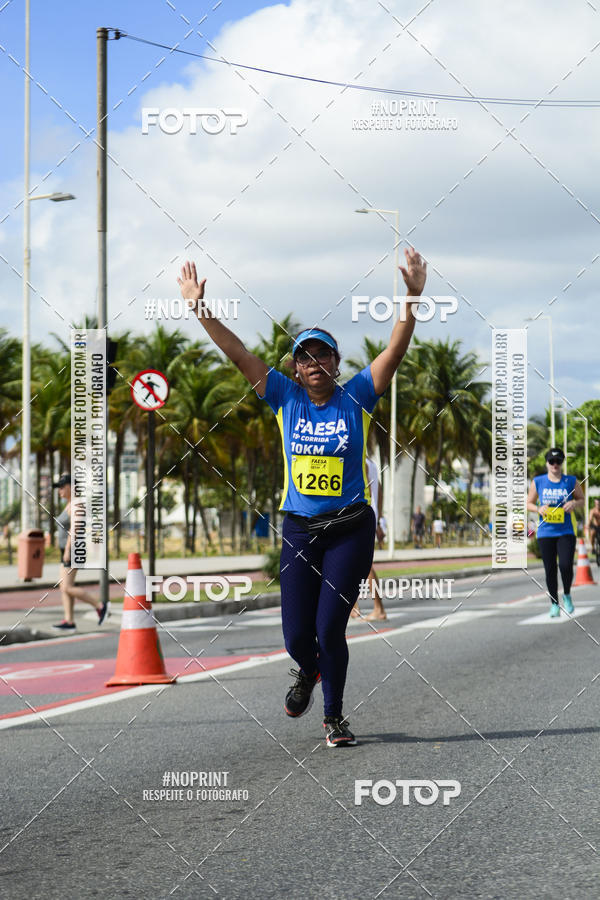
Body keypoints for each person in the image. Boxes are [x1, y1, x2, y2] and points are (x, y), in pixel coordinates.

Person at [178, 248, 427, 746]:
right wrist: (198, 309)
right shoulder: (284, 399)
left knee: (330, 626)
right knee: (296, 636)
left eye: (324, 355)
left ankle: (334, 716)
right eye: (306, 357)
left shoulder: (356, 395)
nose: (315, 363)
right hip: (299, 528)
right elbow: (238, 354)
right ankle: (307, 670)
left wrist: (412, 297)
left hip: (349, 528)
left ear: (336, 364)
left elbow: (395, 353)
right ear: (295, 369)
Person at [526, 447, 584, 617]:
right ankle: (554, 604)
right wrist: (538, 508)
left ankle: (567, 594)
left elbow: (581, 499)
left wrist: (574, 504)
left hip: (565, 531)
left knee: (565, 566)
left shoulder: (571, 481)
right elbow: (528, 503)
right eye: (552, 461)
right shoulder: (538, 481)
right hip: (546, 532)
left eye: (558, 461)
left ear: (562, 463)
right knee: (550, 569)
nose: (555, 464)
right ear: (547, 463)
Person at [52, 474, 110, 630]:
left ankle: (100, 606)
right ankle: (69, 621)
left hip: (73, 550)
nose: (59, 491)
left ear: (71, 487)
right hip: (66, 549)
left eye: (62, 487)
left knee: (67, 587)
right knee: (64, 586)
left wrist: (68, 550)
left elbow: (75, 529)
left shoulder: (77, 504)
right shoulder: (70, 504)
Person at [350, 457, 387, 621]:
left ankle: (378, 608)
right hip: (369, 516)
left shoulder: (361, 461)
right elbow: (379, 491)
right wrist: (379, 519)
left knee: (365, 565)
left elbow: (362, 490)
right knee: (353, 563)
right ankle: (353, 606)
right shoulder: (370, 462)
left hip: (360, 515)